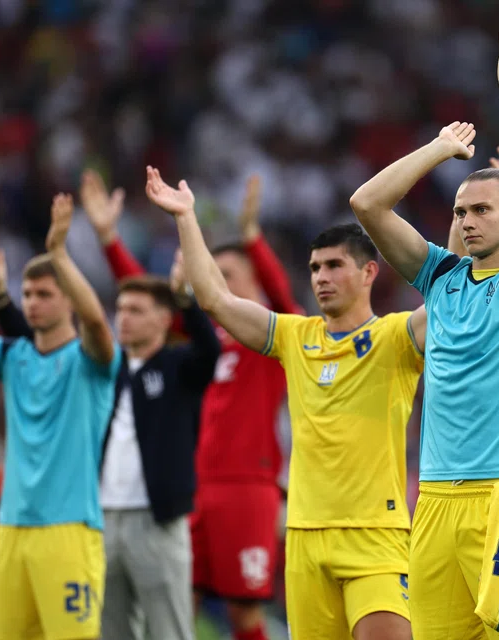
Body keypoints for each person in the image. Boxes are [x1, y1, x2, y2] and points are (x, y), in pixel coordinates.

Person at [350, 20, 499, 639]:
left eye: (480, 210)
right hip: (438, 502)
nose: (467, 221)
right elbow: (367, 204)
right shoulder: (440, 279)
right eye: (459, 212)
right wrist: (441, 149)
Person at [145, 166, 426, 640]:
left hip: (375, 537)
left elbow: (457, 289)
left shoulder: (396, 335)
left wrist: (486, 225)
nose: (322, 277)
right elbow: (213, 299)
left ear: (368, 272)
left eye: (334, 266)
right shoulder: (294, 336)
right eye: (315, 268)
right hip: (304, 539)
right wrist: (186, 217)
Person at [79, 170, 300, 639]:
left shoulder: (276, 337)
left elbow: (282, 296)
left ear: (256, 283)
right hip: (192, 487)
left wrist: (254, 240)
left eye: (230, 275)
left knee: (245, 613)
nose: (217, 282)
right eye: (213, 275)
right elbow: (145, 301)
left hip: (248, 487)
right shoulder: (197, 341)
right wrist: (108, 239)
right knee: (181, 602)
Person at [0, 243, 221, 640]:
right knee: (109, 631)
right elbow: (35, 339)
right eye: (120, 309)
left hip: (157, 520)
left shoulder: (178, 368)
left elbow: (211, 350)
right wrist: (2, 301)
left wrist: (186, 300)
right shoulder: (103, 365)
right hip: (101, 520)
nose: (124, 318)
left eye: (136, 311)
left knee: (169, 630)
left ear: (164, 320)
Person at [0, 196, 121, 640]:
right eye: (28, 294)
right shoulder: (14, 357)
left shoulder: (92, 361)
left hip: (69, 531)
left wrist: (58, 253)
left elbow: (95, 321)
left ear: (67, 300)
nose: (32, 303)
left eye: (44, 295)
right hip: (13, 530)